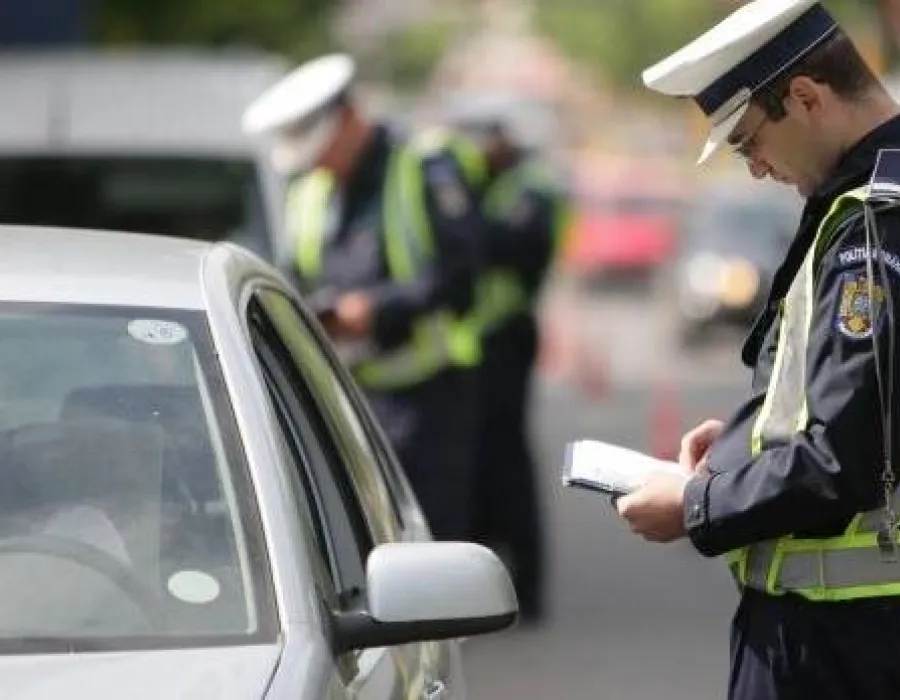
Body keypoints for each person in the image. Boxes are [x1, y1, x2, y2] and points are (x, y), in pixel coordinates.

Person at [613, 1, 900, 697]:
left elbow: (844, 457)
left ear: (805, 97)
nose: (756, 170)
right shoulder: (860, 204)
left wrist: (695, 506)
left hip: (842, 646)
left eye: (747, 141)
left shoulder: (875, 221)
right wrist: (746, 442)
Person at [242, 54, 485, 542]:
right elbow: (295, 273)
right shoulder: (313, 187)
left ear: (348, 119)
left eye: (322, 148)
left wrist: (377, 310)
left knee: (433, 540)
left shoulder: (420, 169)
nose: (319, 164)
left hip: (428, 397)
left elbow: (460, 277)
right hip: (346, 393)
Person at [447, 99, 570, 622]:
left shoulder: (533, 187)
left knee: (509, 467)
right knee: (473, 464)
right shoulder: (489, 183)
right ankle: (476, 586)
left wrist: (462, 222)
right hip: (476, 340)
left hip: (506, 337)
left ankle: (528, 591)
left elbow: (517, 245)